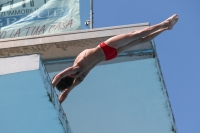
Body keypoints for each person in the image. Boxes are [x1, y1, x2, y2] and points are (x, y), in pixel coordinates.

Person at [52, 14, 178, 103]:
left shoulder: (78, 79)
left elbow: (65, 94)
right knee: (135, 35)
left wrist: (55, 102)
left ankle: (166, 29)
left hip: (108, 57)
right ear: (65, 77)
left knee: (140, 41)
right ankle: (164, 23)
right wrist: (50, 87)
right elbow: (58, 77)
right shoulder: (75, 70)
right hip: (105, 48)